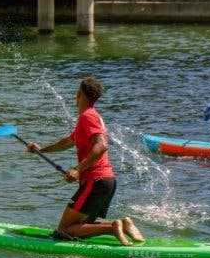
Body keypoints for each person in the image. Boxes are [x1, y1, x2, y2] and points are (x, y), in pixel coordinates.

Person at [26, 76, 144, 246]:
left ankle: (112, 227)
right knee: (78, 227)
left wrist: (78, 169)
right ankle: (124, 224)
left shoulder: (88, 117)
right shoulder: (90, 117)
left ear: (78, 94)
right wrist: (41, 149)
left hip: (95, 181)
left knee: (65, 230)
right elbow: (67, 141)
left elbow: (101, 146)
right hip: (106, 181)